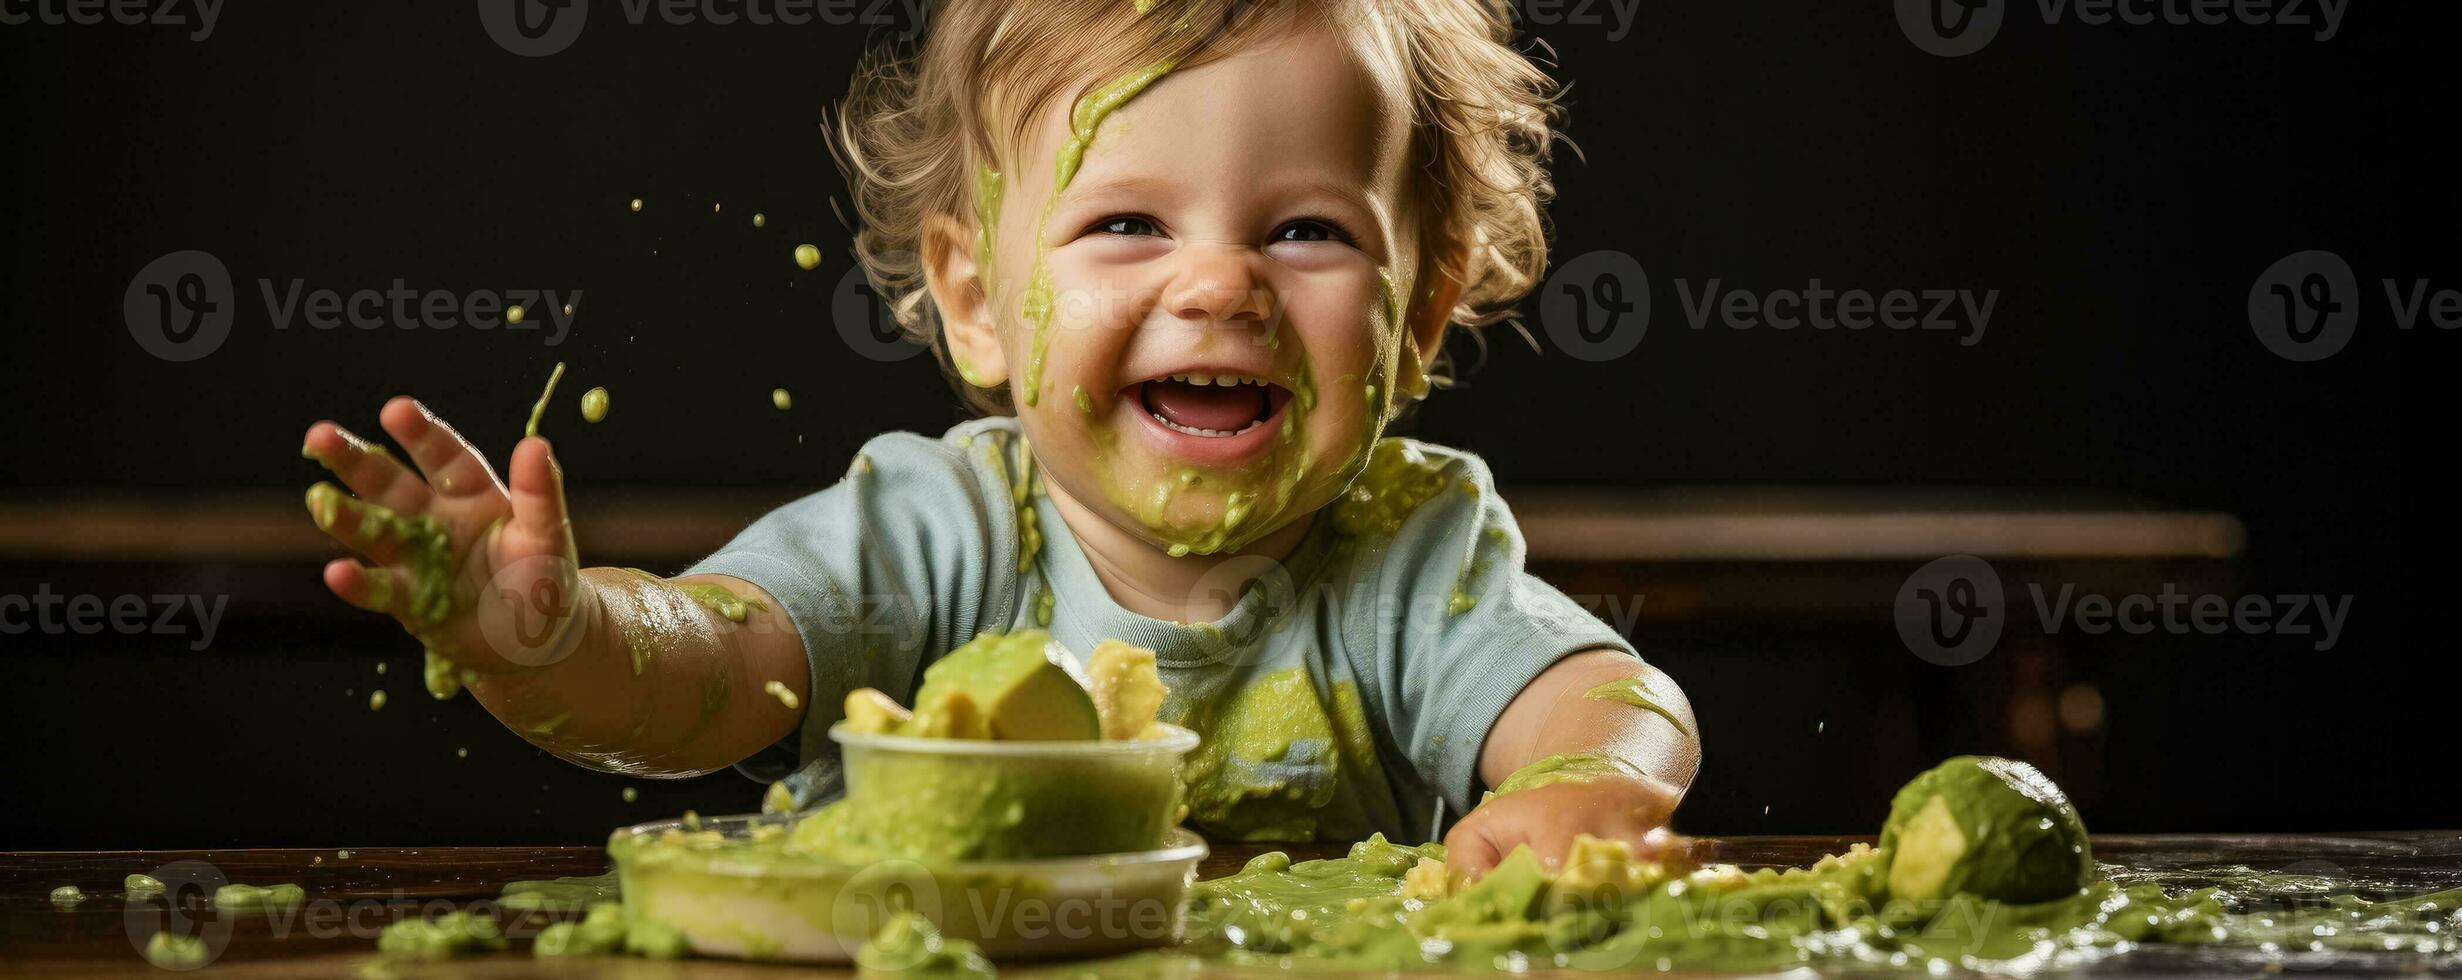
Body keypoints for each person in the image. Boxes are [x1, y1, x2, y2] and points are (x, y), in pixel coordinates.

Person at [298, 0, 1697, 876]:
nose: (1217, 286)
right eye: (1127, 224)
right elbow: (709, 681)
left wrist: (1591, 779)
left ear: (1420, 311)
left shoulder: (1406, 554)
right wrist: (553, 642)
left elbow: (1598, 691)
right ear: (975, 300)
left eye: (1306, 231)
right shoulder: (928, 533)